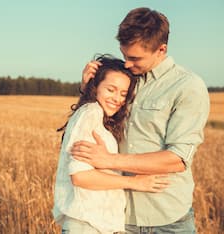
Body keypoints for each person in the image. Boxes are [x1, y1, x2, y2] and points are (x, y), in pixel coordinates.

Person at [71, 8, 210, 233]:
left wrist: (110, 160)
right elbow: (93, 124)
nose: (126, 63)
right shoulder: (124, 80)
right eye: (124, 55)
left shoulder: (187, 86)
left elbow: (177, 159)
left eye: (134, 58)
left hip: (167, 219)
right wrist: (89, 90)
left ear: (161, 49)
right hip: (118, 216)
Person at [52, 54, 170, 234]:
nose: (117, 98)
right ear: (95, 86)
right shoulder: (90, 113)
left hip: (97, 225)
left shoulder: (100, 117)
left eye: (123, 94)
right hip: (87, 225)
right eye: (111, 89)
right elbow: (80, 176)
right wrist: (135, 183)